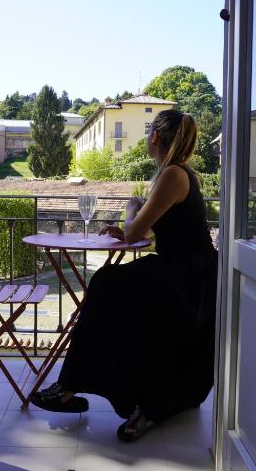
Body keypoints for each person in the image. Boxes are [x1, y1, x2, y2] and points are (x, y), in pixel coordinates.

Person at [30, 109, 218, 442]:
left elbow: (135, 232)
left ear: (155, 137)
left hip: (189, 279)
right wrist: (129, 227)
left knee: (106, 284)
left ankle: (71, 388)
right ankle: (82, 387)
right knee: (111, 288)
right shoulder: (176, 173)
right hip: (187, 271)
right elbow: (152, 231)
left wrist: (131, 208)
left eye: (148, 133)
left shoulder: (173, 175)